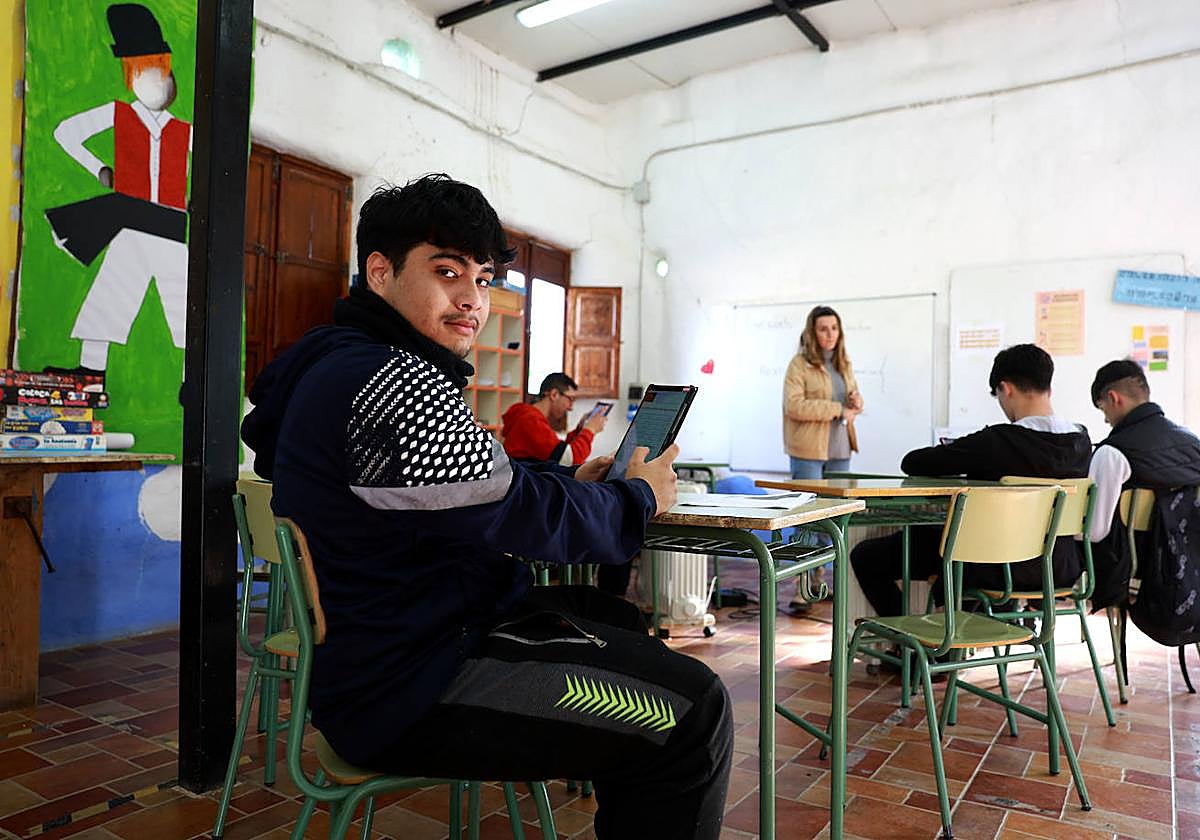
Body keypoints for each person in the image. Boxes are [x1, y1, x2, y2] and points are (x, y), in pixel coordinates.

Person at [241, 174, 732, 840]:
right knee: (695, 712)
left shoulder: (342, 364)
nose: (472, 299)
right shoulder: (388, 383)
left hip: (386, 647)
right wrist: (637, 496)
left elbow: (467, 490)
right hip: (412, 682)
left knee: (610, 616)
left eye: (483, 277)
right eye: (447, 272)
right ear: (380, 272)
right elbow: (520, 514)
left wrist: (575, 484)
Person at [851, 344, 1091, 619]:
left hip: (997, 564)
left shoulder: (998, 441)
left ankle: (908, 646)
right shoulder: (1081, 441)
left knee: (867, 556)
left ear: (1006, 388)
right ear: (1048, 386)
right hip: (1058, 566)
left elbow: (914, 462)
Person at [47, 3, 191, 372]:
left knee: (186, 310)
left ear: (168, 71)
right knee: (109, 298)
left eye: (156, 69)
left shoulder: (185, 131)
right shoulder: (119, 113)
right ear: (131, 76)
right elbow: (65, 133)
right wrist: (99, 169)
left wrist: (195, 198)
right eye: (141, 71)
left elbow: (216, 163)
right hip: (133, 225)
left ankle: (195, 379)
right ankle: (92, 372)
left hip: (171, 227)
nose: (152, 79)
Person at [1085, 360, 1200, 620]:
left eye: (1102, 409)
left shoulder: (1113, 452)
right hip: (1193, 565)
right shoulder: (1192, 443)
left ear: (1113, 398)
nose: (1105, 419)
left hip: (1141, 573)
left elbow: (1094, 531)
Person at [782, 305, 863, 480]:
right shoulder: (799, 364)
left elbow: (852, 398)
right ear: (812, 333)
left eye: (834, 328)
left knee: (840, 506)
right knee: (810, 505)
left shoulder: (844, 363)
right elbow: (793, 406)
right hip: (808, 451)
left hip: (841, 448)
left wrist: (857, 402)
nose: (830, 334)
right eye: (823, 329)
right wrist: (838, 410)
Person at [501, 372, 607, 465]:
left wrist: (580, 429)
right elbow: (569, 460)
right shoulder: (531, 420)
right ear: (554, 395)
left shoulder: (525, 414)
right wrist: (590, 430)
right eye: (570, 399)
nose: (571, 407)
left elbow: (557, 453)